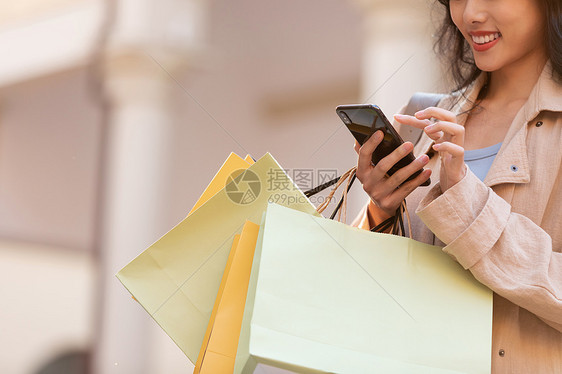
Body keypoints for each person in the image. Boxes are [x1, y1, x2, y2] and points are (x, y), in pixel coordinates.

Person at [352, 0, 562, 372]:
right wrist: (380, 212)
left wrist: (465, 205)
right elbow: (370, 290)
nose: (471, 14)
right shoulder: (425, 119)